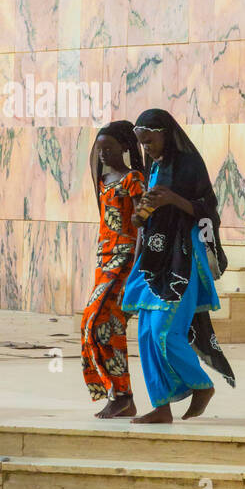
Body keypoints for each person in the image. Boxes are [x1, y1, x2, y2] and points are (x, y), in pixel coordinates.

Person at [121, 108, 235, 424]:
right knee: (146, 333)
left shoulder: (188, 165)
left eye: (150, 142)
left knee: (164, 333)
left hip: (182, 260)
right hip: (154, 259)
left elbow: (207, 211)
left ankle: (201, 386)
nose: (147, 149)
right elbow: (146, 218)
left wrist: (172, 199)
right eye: (142, 144)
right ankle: (161, 406)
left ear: (165, 133)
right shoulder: (155, 168)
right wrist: (141, 215)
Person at [80, 120, 147, 418]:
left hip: (125, 261)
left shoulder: (133, 179)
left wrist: (139, 263)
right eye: (99, 148)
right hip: (103, 261)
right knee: (97, 327)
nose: (104, 153)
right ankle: (118, 394)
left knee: (102, 323)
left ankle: (123, 396)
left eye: (109, 147)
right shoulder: (103, 179)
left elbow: (143, 223)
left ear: (124, 147)